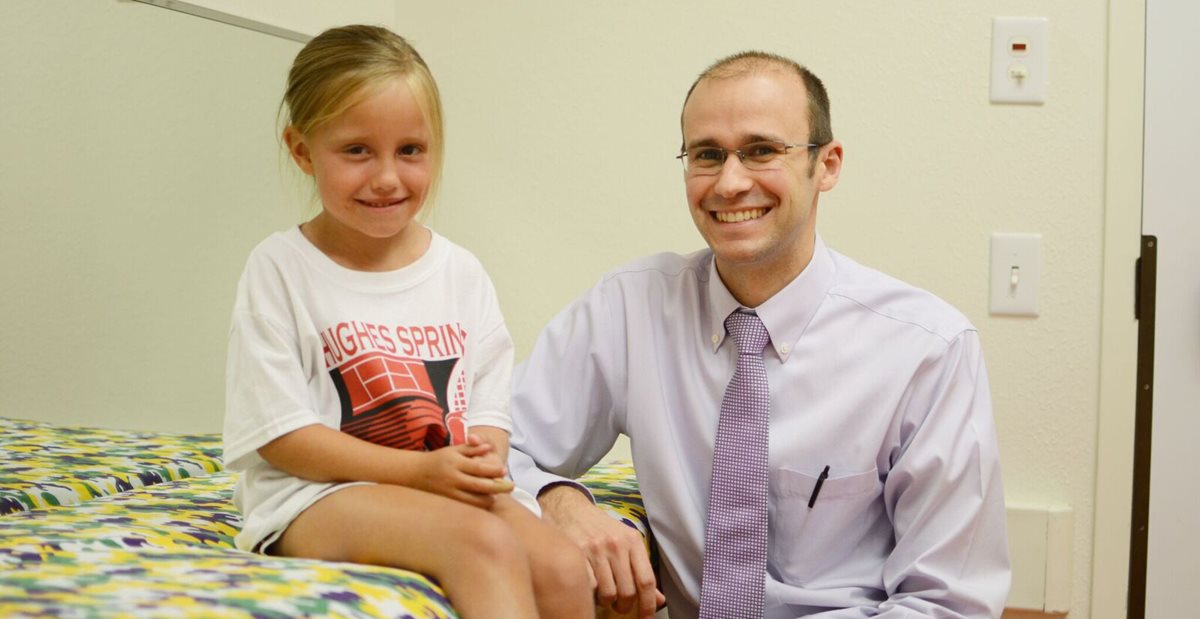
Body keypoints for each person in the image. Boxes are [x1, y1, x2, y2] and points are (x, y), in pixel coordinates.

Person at [508, 50, 1011, 618]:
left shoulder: (928, 350)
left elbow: (948, 605)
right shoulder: (631, 308)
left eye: (762, 150)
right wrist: (558, 499)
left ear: (828, 165)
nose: (729, 182)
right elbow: (491, 444)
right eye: (706, 155)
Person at [222, 25, 591, 619]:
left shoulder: (460, 273)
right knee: (482, 544)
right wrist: (418, 471)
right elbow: (281, 436)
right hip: (316, 496)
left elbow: (488, 418)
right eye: (357, 150)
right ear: (301, 150)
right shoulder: (282, 268)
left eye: (410, 151)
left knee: (564, 566)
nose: (388, 177)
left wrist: (477, 460)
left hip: (438, 483)